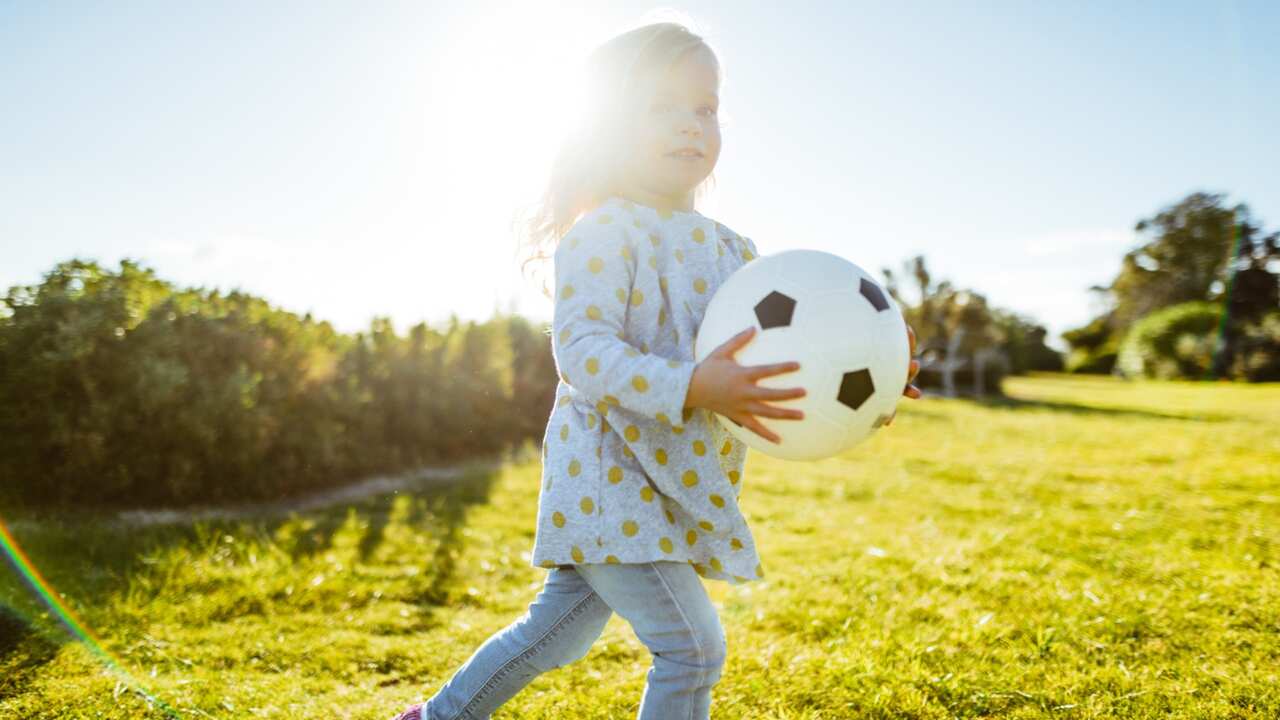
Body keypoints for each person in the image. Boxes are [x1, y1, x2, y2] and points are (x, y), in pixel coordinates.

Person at [391, 18, 922, 720]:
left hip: (667, 487)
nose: (689, 124)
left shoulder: (736, 250)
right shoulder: (605, 231)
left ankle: (435, 718)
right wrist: (691, 384)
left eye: (704, 108)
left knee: (552, 637)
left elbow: (800, 346)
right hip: (609, 483)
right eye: (661, 107)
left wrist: (875, 365)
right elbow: (582, 352)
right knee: (692, 648)